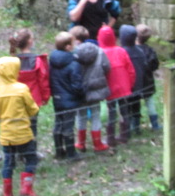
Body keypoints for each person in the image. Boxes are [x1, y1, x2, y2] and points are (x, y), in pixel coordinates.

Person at [0, 56, 41, 196]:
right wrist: (26, 114)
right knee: (31, 159)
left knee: (8, 162)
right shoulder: (21, 89)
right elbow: (33, 109)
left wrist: (1, 116)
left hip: (6, 135)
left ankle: (7, 193)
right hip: (23, 133)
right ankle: (26, 189)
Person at [9, 28, 51, 160]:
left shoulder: (12, 61)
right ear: (30, 42)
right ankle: (30, 153)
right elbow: (43, 80)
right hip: (34, 99)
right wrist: (45, 97)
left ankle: (18, 153)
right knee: (32, 126)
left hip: (16, 100)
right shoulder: (37, 61)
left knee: (18, 125)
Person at [70, 25, 111, 153]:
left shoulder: (73, 54)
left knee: (81, 116)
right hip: (96, 90)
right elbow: (107, 66)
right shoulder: (99, 51)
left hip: (80, 91)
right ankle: (98, 144)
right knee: (95, 116)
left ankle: (80, 143)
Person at [48, 31, 85, 161]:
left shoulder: (51, 61)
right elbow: (77, 84)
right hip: (69, 100)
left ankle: (59, 151)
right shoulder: (73, 63)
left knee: (58, 124)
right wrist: (81, 94)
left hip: (57, 98)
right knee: (68, 125)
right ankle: (71, 153)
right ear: (68, 47)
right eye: (72, 43)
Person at [97, 25, 135, 147]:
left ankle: (110, 138)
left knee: (111, 112)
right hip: (124, 87)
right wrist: (130, 84)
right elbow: (131, 70)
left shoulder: (100, 53)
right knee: (124, 111)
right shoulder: (121, 51)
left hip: (110, 89)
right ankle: (125, 135)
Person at [119, 24, 147, 136]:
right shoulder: (140, 51)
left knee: (125, 108)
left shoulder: (121, 52)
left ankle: (127, 129)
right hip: (138, 85)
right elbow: (144, 66)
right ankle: (136, 127)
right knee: (136, 106)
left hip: (125, 87)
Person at [136, 24, 162, 131]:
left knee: (135, 104)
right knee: (150, 103)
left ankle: (135, 126)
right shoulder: (150, 50)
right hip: (148, 82)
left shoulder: (132, 51)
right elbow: (155, 65)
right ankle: (155, 124)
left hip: (135, 83)